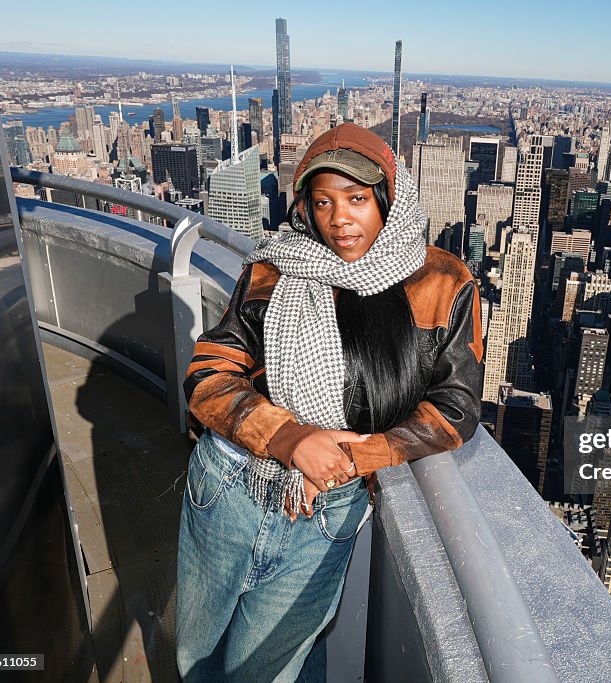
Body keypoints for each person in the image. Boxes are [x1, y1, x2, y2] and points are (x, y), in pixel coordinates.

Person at [175, 122, 484, 681]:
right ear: (305, 208)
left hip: (325, 511)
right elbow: (209, 373)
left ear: (388, 195)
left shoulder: (443, 281)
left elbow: (456, 408)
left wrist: (353, 458)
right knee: (196, 659)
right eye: (323, 202)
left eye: (358, 199)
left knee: (263, 672)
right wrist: (291, 440)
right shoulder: (276, 267)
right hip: (228, 486)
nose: (339, 218)